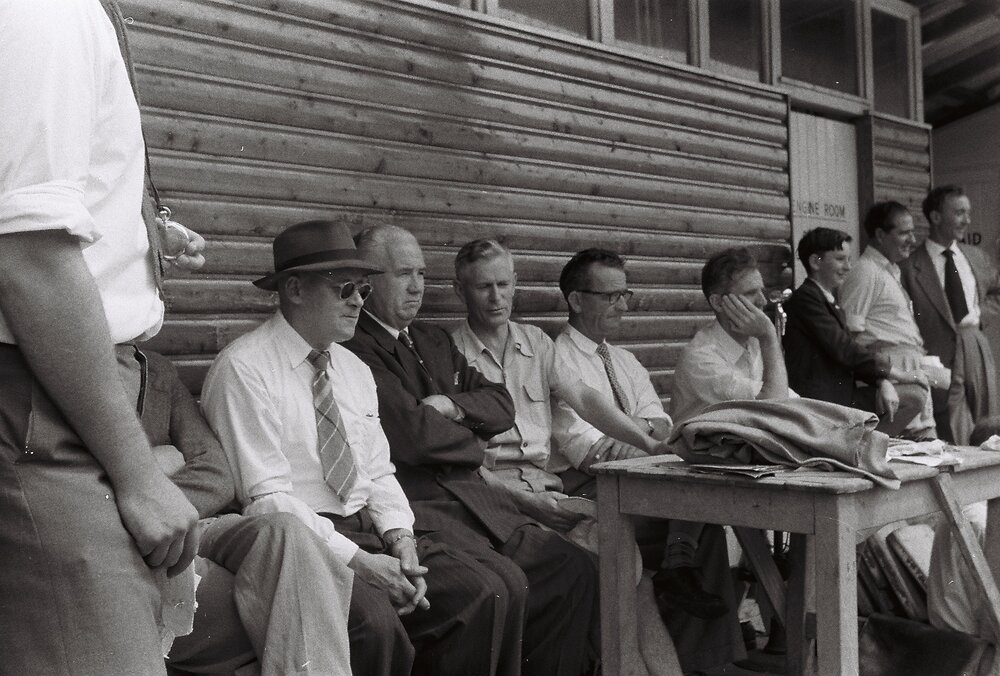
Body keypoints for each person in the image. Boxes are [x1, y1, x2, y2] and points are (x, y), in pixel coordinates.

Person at [202, 220, 516, 676]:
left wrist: (401, 540)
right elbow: (267, 500)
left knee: (485, 590)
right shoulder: (244, 369)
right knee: (373, 622)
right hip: (306, 542)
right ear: (293, 289)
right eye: (344, 287)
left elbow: (379, 473)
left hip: (370, 532)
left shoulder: (352, 369)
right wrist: (366, 564)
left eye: (365, 289)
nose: (358, 301)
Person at [1, 1, 205, 672]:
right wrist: (140, 473)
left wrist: (132, 236)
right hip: (44, 398)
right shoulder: (46, 10)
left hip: (63, 389)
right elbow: (28, 258)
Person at [344, 225, 598, 676]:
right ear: (367, 281)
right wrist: (474, 442)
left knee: (574, 567)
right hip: (427, 509)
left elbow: (502, 407)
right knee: (495, 588)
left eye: (421, 273)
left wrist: (450, 407)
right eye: (403, 274)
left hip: (477, 501)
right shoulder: (358, 347)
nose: (418, 286)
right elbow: (414, 437)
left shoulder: (431, 340)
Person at [449, 239, 682, 676]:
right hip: (495, 498)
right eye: (482, 287)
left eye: (503, 284)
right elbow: (464, 465)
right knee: (595, 570)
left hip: (547, 488)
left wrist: (651, 445)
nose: (496, 297)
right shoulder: (450, 353)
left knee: (621, 554)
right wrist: (527, 503)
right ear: (460, 291)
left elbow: (587, 400)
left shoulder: (536, 342)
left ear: (516, 285)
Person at [550, 248, 744, 674]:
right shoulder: (557, 359)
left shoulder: (625, 359)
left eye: (626, 294)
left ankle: (704, 663)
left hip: (643, 482)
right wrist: (641, 432)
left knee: (704, 523)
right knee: (687, 532)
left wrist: (630, 431)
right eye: (610, 296)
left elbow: (663, 423)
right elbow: (590, 452)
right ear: (577, 299)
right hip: (590, 489)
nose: (622, 305)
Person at [136, 348, 354, 676]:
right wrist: (165, 462)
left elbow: (216, 474)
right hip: (134, 543)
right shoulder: (62, 368)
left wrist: (155, 482)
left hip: (193, 521)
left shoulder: (155, 370)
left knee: (284, 529)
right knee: (289, 611)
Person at [783, 227, 929, 436]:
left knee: (914, 396)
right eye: (840, 259)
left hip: (840, 395)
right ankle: (865, 447)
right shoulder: (805, 300)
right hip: (822, 403)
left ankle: (868, 445)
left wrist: (882, 381)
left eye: (849, 259)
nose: (848, 267)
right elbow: (844, 349)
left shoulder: (827, 301)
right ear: (816, 262)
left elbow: (847, 353)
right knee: (913, 396)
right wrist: (897, 374)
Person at [900, 186, 1000, 444]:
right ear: (935, 217)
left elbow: (996, 292)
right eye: (958, 213)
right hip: (937, 352)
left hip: (974, 343)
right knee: (948, 422)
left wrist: (979, 316)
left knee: (987, 421)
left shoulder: (976, 257)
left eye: (968, 213)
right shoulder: (911, 266)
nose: (966, 220)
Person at [839, 201, 941, 439]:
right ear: (880, 234)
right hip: (892, 379)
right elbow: (852, 337)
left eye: (912, 232)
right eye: (904, 233)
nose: (913, 240)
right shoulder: (865, 272)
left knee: (928, 451)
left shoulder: (890, 270)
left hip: (909, 372)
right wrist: (880, 379)